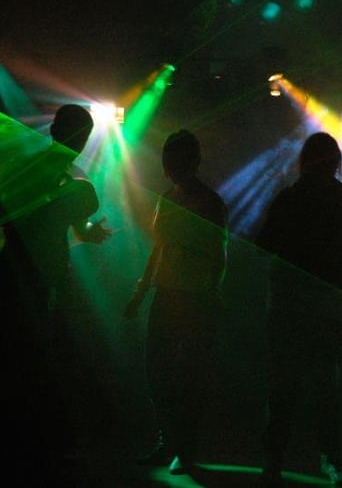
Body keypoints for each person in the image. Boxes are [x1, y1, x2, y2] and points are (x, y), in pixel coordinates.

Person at [0, 103, 112, 486]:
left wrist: (89, 231)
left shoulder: (65, 174)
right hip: (25, 279)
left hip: (45, 279)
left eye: (84, 137)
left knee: (42, 359)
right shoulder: (41, 169)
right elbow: (8, 214)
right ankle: (23, 447)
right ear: (59, 131)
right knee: (26, 359)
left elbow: (75, 222)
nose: (81, 142)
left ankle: (35, 445)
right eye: (79, 135)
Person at [255, 131, 342, 486]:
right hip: (327, 306)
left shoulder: (289, 199)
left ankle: (273, 462)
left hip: (289, 304)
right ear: (336, 164)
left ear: (304, 162)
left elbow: (263, 244)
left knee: (283, 388)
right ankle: (330, 458)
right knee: (325, 387)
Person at [123, 129, 228, 477]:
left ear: (192, 161)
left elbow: (218, 254)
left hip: (195, 297)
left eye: (176, 160)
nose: (171, 168)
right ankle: (170, 441)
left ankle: (183, 448)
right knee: (159, 371)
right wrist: (142, 291)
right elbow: (159, 248)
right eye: (170, 160)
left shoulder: (210, 202)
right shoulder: (168, 199)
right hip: (168, 294)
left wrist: (211, 294)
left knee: (189, 374)